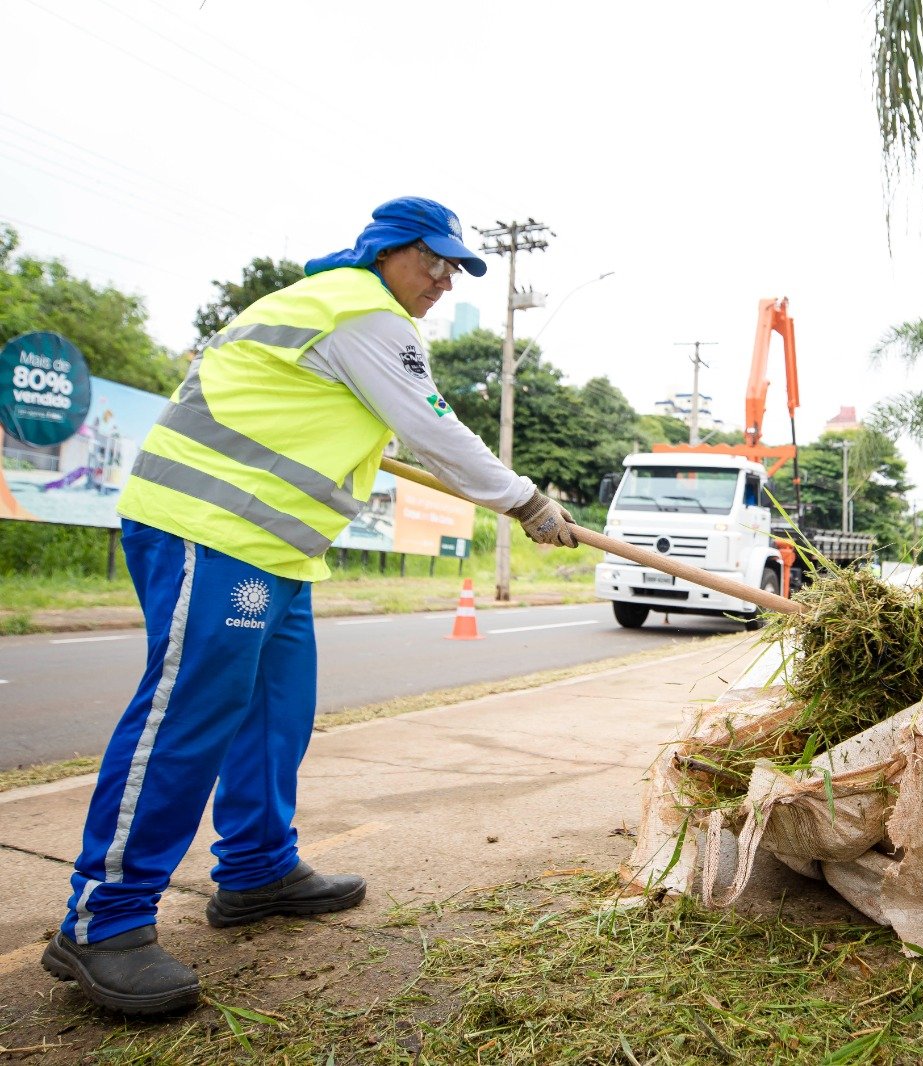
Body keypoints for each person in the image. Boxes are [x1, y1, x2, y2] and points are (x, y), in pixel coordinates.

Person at [42, 196, 579, 1017]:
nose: (442, 280)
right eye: (431, 261)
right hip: (208, 531)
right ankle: (103, 919)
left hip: (271, 551)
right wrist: (525, 503)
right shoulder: (362, 311)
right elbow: (434, 430)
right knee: (186, 715)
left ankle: (257, 868)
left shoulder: (345, 315)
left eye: (455, 269)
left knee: (273, 711)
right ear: (387, 251)